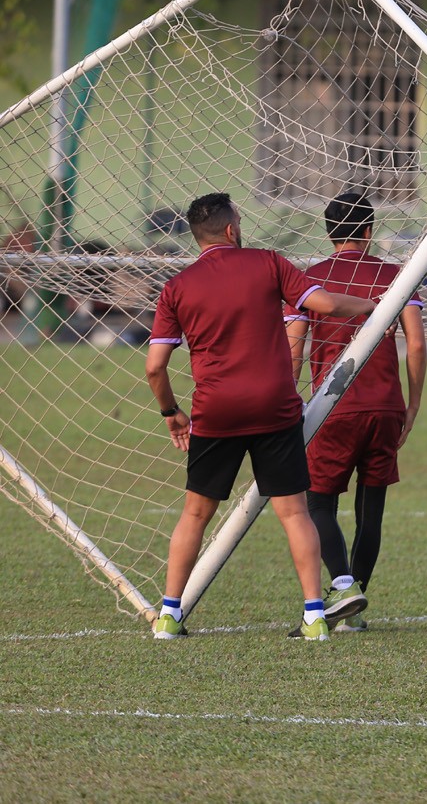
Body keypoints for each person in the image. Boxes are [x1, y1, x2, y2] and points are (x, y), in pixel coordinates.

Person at [145, 192, 376, 641]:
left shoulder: (177, 287)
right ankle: (314, 617)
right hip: (275, 407)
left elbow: (154, 366)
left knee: (195, 514)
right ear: (232, 229)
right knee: (294, 513)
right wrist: (372, 306)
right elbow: (324, 305)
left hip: (216, 412)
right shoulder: (268, 262)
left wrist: (171, 412)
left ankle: (169, 616)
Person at [285, 192, 426, 634]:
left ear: (329, 233)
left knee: (317, 503)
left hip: (332, 406)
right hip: (386, 405)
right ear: (369, 231)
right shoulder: (396, 276)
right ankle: (354, 608)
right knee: (372, 510)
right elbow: (416, 344)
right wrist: (412, 403)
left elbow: (295, 345)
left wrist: (292, 398)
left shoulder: (310, 279)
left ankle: (343, 586)